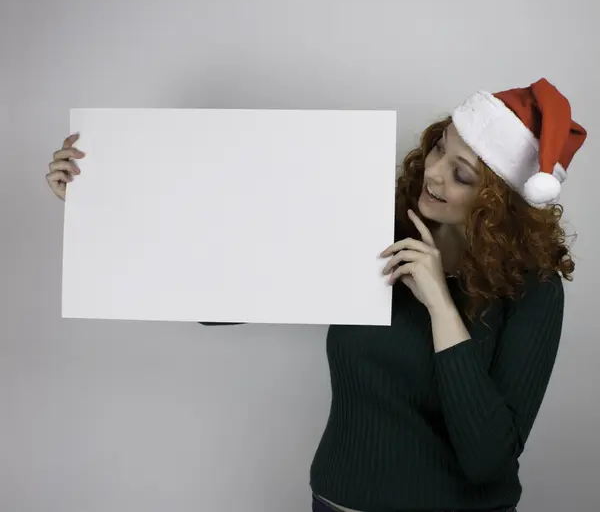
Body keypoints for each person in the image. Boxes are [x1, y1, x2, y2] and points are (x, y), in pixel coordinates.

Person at [46, 78, 587, 512]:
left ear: (499, 203)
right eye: (440, 147)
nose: (434, 172)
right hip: (337, 501)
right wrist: (102, 200)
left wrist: (441, 308)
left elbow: (489, 459)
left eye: (461, 174)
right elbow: (218, 299)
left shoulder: (532, 290)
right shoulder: (370, 226)